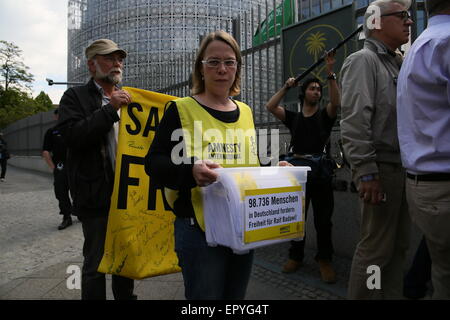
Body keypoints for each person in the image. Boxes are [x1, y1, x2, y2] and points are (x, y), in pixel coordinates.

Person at [145, 30, 281, 300]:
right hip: (198, 229)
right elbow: (153, 162)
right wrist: (190, 172)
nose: (222, 69)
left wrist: (277, 169)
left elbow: (248, 160)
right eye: (213, 62)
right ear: (201, 68)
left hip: (243, 224)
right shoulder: (180, 109)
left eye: (229, 62)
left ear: (237, 69)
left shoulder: (245, 112)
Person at [339, 0, 413, 299]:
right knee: (376, 252)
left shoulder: (395, 62)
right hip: (380, 170)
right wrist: (367, 173)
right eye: (402, 16)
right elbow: (355, 121)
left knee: (397, 248)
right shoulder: (363, 61)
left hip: (400, 169)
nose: (409, 21)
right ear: (377, 22)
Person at [57, 39, 136, 300]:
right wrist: (110, 110)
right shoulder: (74, 97)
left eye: (119, 59)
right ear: (92, 65)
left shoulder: (130, 98)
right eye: (109, 58)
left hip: (126, 196)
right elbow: (73, 136)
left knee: (124, 262)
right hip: (95, 194)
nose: (117, 63)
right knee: (96, 264)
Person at [265, 51, 340, 283]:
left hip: (320, 173)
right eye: (312, 88)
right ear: (303, 93)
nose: (316, 92)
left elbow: (336, 102)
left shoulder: (325, 115)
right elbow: (270, 105)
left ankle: (324, 259)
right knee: (296, 218)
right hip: (297, 175)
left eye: (318, 89)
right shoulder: (293, 117)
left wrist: (330, 73)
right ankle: (295, 256)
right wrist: (286, 86)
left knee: (323, 220)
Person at [397, 0, 450, 299]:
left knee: (442, 272)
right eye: (400, 16)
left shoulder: (420, 46)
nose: (407, 22)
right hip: (442, 184)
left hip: (424, 183)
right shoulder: (444, 42)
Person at [42, 109, 74, 230]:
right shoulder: (51, 132)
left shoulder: (75, 128)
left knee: (79, 189)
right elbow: (45, 151)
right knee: (61, 191)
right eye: (59, 115)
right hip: (61, 166)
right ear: (55, 117)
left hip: (76, 164)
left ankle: (80, 211)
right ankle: (66, 217)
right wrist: (53, 167)